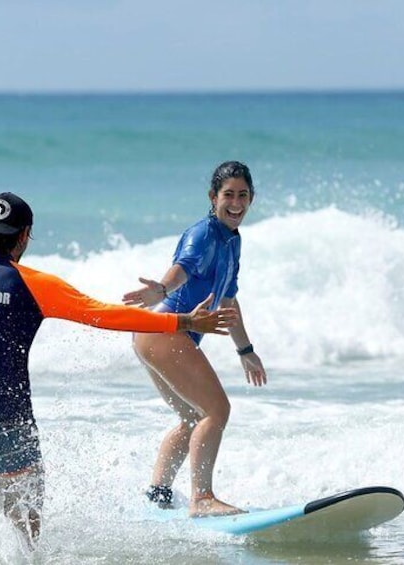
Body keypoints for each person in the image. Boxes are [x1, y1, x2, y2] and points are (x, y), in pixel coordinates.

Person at [0, 191, 237, 545]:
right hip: (6, 422)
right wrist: (182, 322)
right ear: (24, 236)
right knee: (26, 535)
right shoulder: (31, 283)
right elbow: (102, 315)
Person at [122, 161, 267, 518]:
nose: (235, 203)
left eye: (242, 195)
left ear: (251, 198)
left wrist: (245, 350)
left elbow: (229, 300)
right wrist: (161, 288)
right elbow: (182, 267)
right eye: (228, 195)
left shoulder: (232, 240)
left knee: (192, 418)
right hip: (166, 330)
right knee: (217, 411)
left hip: (152, 335)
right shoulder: (203, 233)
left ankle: (157, 493)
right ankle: (201, 498)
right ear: (212, 197)